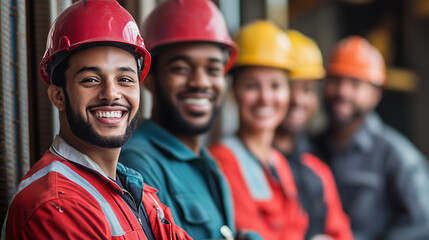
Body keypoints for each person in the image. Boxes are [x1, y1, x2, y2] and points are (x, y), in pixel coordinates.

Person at [1, 1, 192, 239]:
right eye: (91, 80)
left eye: (125, 79)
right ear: (58, 96)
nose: (111, 93)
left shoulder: (137, 193)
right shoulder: (56, 206)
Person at [118, 1, 259, 239]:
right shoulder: (137, 165)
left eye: (213, 70)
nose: (200, 83)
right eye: (181, 69)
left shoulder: (207, 162)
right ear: (149, 78)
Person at [312, 35, 429, 240]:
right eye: (336, 80)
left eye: (355, 84)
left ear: (376, 94)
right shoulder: (309, 147)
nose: (342, 91)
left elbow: (422, 225)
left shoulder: (399, 157)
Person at [208, 21, 309, 240]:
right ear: (234, 91)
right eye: (252, 85)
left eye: (275, 86)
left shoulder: (279, 164)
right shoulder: (221, 162)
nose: (265, 98)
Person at [273, 30, 353, 240]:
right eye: (289, 87)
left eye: (307, 89)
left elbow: (341, 233)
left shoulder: (317, 168)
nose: (298, 100)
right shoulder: (245, 163)